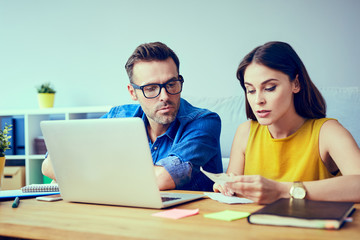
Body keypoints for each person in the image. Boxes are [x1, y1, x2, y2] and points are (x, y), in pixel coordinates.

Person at [42, 42, 223, 191]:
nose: (165, 96)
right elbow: (51, 163)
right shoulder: (119, 117)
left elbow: (162, 179)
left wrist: (87, 172)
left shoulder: (204, 122)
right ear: (133, 92)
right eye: (151, 88)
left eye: (171, 84)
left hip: (187, 221)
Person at [214, 41, 360, 204]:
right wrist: (226, 186)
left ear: (295, 84)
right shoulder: (245, 132)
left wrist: (281, 190)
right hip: (254, 225)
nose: (258, 100)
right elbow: (231, 190)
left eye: (269, 88)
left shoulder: (327, 131)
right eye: (250, 90)